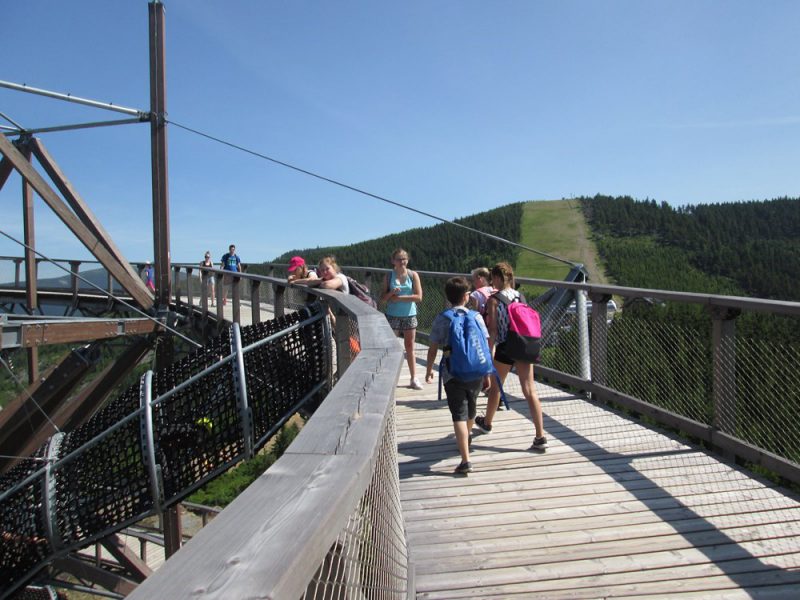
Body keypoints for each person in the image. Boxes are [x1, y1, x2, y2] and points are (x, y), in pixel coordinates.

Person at [474, 262, 548, 452]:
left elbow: (493, 330)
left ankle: (487, 422)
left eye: (493, 279)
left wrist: (488, 351)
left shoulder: (494, 300)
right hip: (523, 345)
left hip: (506, 347)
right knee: (529, 390)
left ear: (497, 278)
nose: (492, 282)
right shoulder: (520, 296)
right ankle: (540, 436)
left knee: (496, 387)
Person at [425, 276, 492, 475]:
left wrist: (429, 370)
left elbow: (433, 347)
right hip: (476, 370)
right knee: (471, 409)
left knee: (458, 414)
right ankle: (467, 437)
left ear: (448, 297)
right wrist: (487, 372)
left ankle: (465, 460)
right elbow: (485, 345)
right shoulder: (476, 317)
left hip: (452, 373)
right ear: (466, 296)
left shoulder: (442, 318)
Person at [381, 248, 424, 390]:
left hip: (409, 315)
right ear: (393, 261)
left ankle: (414, 378)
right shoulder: (388, 276)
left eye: (404, 259)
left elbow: (419, 297)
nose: (402, 262)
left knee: (410, 347)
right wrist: (391, 293)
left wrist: (398, 298)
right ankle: (389, 378)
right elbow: (383, 299)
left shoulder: (413, 275)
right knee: (391, 348)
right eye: (399, 259)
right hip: (392, 315)